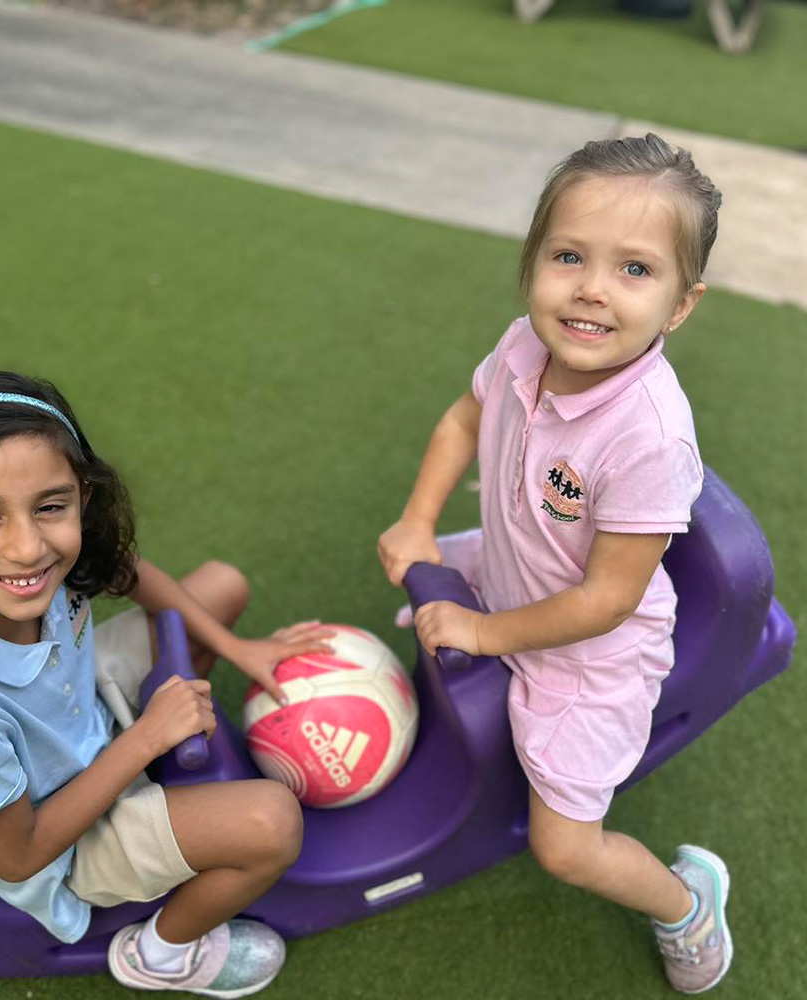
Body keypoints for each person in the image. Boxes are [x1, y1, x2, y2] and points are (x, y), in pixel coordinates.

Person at [0, 362, 334, 996]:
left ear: (80, 498)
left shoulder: (33, 569)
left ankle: (163, 763)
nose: (29, 547)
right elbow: (20, 855)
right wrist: (145, 741)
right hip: (58, 842)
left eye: (50, 506)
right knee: (272, 822)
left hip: (76, 713)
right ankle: (159, 955)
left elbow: (129, 571)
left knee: (221, 590)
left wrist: (234, 647)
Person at [378, 134, 731, 994]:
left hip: (590, 653)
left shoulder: (646, 433)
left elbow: (608, 600)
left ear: (681, 306)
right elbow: (465, 421)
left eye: (635, 270)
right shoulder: (525, 347)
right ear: (534, 260)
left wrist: (485, 631)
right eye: (568, 256)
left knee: (564, 848)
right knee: (423, 618)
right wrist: (419, 520)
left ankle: (687, 903)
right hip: (513, 569)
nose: (591, 289)